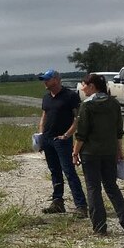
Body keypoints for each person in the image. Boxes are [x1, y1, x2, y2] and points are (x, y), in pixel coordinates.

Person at [72, 73, 124, 236]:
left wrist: (75, 152)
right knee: (112, 187)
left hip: (90, 153)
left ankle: (99, 227)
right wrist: (119, 151)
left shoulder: (87, 105)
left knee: (93, 189)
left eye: (84, 84)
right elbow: (118, 131)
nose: (82, 87)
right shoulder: (114, 103)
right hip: (109, 152)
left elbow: (82, 133)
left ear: (92, 86)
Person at [37, 68, 88, 218]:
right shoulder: (46, 98)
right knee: (55, 172)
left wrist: (67, 135)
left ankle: (81, 205)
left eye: (47, 79)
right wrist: (40, 136)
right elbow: (44, 116)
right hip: (47, 140)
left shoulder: (70, 96)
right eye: (44, 79)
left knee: (69, 172)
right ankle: (57, 202)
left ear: (57, 79)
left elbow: (78, 118)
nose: (45, 82)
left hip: (62, 141)